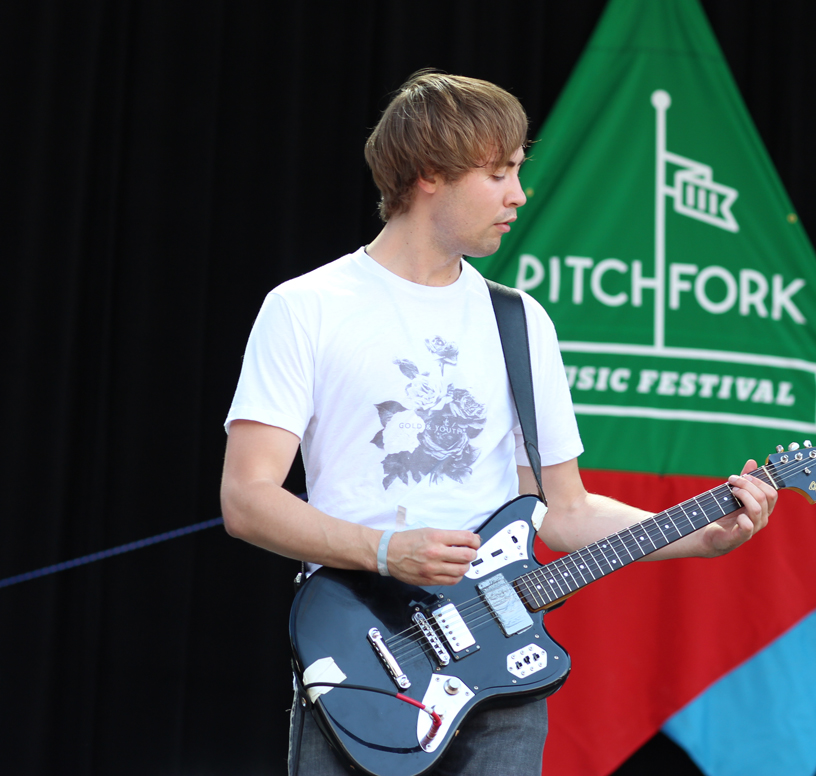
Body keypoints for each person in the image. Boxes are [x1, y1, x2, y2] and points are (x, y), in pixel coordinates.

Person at [220, 70, 777, 776]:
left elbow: (563, 511)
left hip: (503, 666)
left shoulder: (519, 319)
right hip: (365, 652)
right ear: (429, 173)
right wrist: (385, 550)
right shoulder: (307, 306)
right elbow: (246, 499)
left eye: (518, 170)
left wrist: (701, 535)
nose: (520, 193)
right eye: (499, 172)